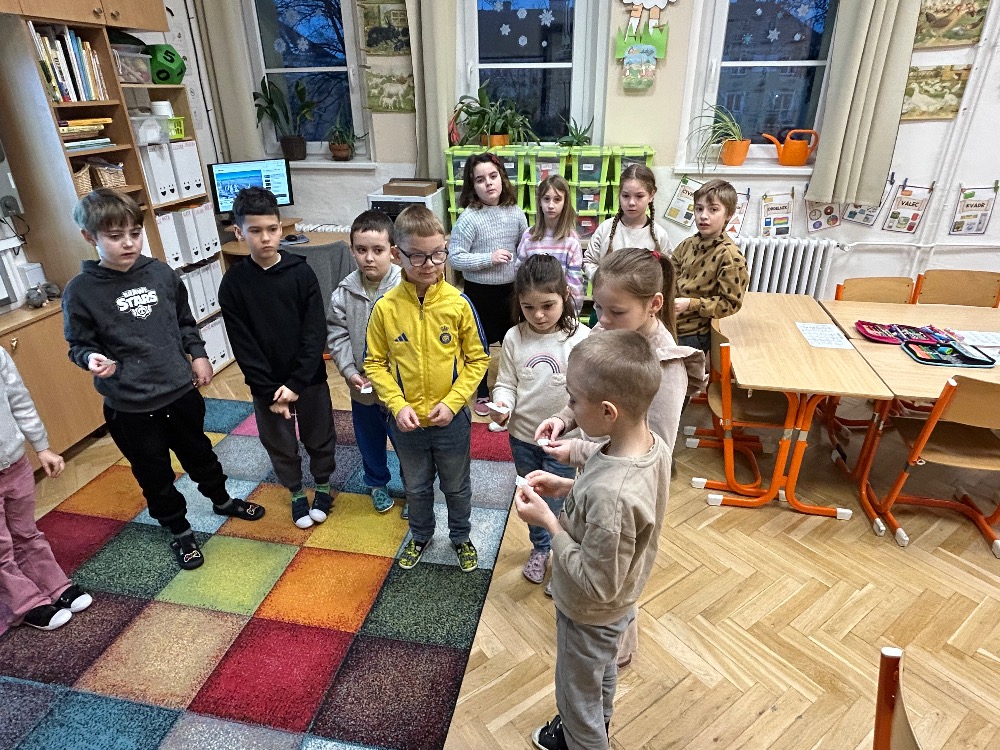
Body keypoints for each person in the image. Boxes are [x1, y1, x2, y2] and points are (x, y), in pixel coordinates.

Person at [63, 189, 264, 571]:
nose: (128, 243)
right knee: (154, 473)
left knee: (201, 455)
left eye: (134, 233)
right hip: (130, 408)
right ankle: (179, 529)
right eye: (115, 236)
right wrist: (90, 358)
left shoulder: (161, 274)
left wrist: (199, 354)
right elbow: (78, 344)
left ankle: (222, 500)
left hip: (179, 393)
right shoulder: (81, 291)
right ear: (90, 237)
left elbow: (185, 322)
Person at [536, 248, 706, 669]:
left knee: (617, 579)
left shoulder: (665, 369)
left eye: (615, 311)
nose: (602, 321)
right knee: (594, 555)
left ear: (654, 305)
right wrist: (564, 419)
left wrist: (577, 451)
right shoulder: (611, 331)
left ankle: (618, 650)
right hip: (600, 481)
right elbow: (587, 390)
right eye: (597, 308)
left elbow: (648, 456)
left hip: (623, 491)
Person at [514, 330, 671, 750]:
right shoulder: (652, 446)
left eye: (573, 399)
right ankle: (593, 726)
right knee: (599, 675)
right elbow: (615, 488)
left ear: (607, 411)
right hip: (618, 605)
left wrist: (548, 523)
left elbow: (596, 581)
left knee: (576, 696)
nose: (569, 407)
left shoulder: (611, 497)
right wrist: (570, 479)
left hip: (589, 611)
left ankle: (581, 738)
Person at [365, 205, 491, 572]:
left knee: (456, 485)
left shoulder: (459, 304)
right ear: (396, 254)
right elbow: (374, 363)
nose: (429, 264)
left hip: (451, 421)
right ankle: (420, 536)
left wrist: (453, 403)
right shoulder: (385, 308)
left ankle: (461, 536)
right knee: (416, 487)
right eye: (417, 256)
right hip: (407, 424)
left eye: (438, 254)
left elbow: (478, 360)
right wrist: (396, 403)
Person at [218, 187, 337, 530]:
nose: (266, 238)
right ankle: (296, 493)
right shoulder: (234, 284)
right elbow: (243, 345)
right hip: (266, 384)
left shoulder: (301, 273)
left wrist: (296, 382)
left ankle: (323, 487)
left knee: (320, 436)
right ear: (239, 232)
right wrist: (270, 389)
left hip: (308, 378)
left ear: (281, 228)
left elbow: (315, 331)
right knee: (279, 443)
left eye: (272, 229)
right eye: (255, 231)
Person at [490, 255, 589, 584]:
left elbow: (587, 394)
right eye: (528, 307)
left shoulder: (581, 338)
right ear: (519, 303)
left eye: (548, 305)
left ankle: (565, 555)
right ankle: (540, 548)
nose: (539, 315)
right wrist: (503, 404)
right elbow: (506, 383)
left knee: (559, 500)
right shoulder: (514, 337)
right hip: (522, 437)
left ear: (565, 295)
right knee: (531, 496)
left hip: (563, 441)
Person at [1, 348, 92, 632]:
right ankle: (25, 602)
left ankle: (52, 585)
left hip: (14, 464)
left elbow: (19, 400)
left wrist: (41, 446)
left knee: (26, 532)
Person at [327, 209, 402, 515]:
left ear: (392, 251)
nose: (369, 258)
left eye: (377, 250)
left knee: (407, 441)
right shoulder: (344, 292)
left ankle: (416, 487)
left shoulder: (406, 287)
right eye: (361, 250)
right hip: (362, 386)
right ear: (352, 250)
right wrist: (348, 371)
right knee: (368, 438)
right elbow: (337, 334)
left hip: (400, 388)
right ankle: (376, 483)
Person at [447, 152, 528, 417]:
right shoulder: (469, 218)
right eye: (480, 180)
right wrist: (488, 259)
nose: (489, 183)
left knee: (514, 341)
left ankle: (513, 388)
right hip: (480, 294)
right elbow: (455, 257)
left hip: (511, 292)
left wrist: (521, 267)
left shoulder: (516, 213)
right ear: (472, 186)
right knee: (478, 344)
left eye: (493, 176)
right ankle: (481, 390)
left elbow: (524, 248)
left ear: (502, 178)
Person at [671, 179, 750, 353]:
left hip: (693, 334)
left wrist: (691, 304)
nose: (703, 216)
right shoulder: (688, 244)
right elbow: (669, 275)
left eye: (713, 209)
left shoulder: (730, 257)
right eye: (699, 209)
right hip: (670, 323)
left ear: (728, 214)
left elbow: (730, 304)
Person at [582, 163, 671, 284]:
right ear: (619, 194)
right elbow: (589, 261)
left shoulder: (660, 235)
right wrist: (604, 282)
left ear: (651, 195)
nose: (631, 202)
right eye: (625, 196)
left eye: (639, 196)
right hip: (608, 295)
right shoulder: (605, 229)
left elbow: (667, 271)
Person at [515, 175, 585, 311]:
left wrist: (573, 312)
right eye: (546, 199)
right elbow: (519, 274)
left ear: (565, 202)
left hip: (561, 310)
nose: (551, 205)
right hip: (533, 307)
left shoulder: (571, 240)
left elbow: (575, 282)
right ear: (540, 201)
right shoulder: (529, 236)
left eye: (557, 199)